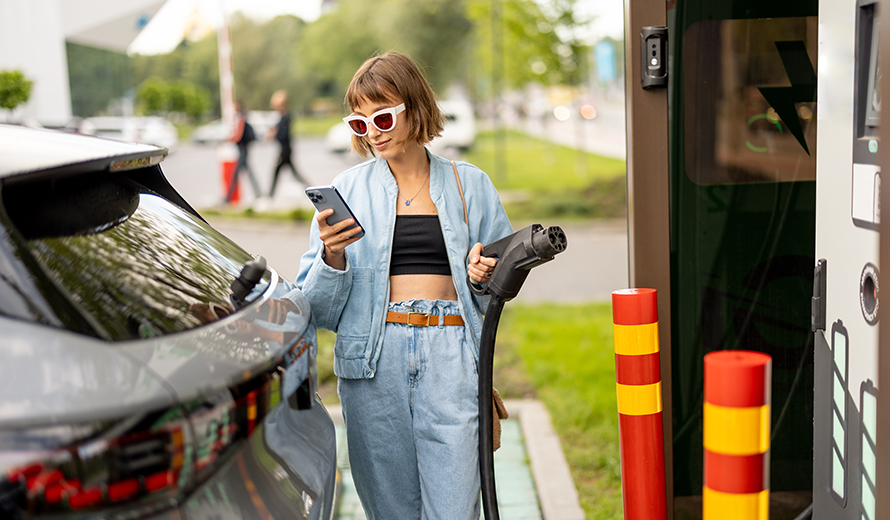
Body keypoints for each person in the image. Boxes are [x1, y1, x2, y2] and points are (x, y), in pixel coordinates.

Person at [295, 52, 513, 519]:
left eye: (383, 116)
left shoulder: (469, 185)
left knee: (455, 509)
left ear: (414, 109)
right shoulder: (346, 191)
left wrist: (485, 274)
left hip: (452, 355)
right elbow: (315, 308)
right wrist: (331, 255)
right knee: (390, 510)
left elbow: (503, 281)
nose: (372, 131)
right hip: (374, 365)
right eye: (359, 123)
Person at [267, 89, 308, 198]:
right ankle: (309, 188)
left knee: (277, 172)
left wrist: (274, 134)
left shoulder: (287, 117)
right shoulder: (281, 117)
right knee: (294, 174)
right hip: (284, 149)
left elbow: (283, 134)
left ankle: (269, 196)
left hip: (285, 150)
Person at [225, 100, 262, 204]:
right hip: (243, 148)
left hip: (243, 148)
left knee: (235, 173)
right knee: (249, 173)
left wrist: (230, 139)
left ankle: (228, 198)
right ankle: (258, 193)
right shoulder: (241, 116)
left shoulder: (241, 116)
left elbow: (238, 134)